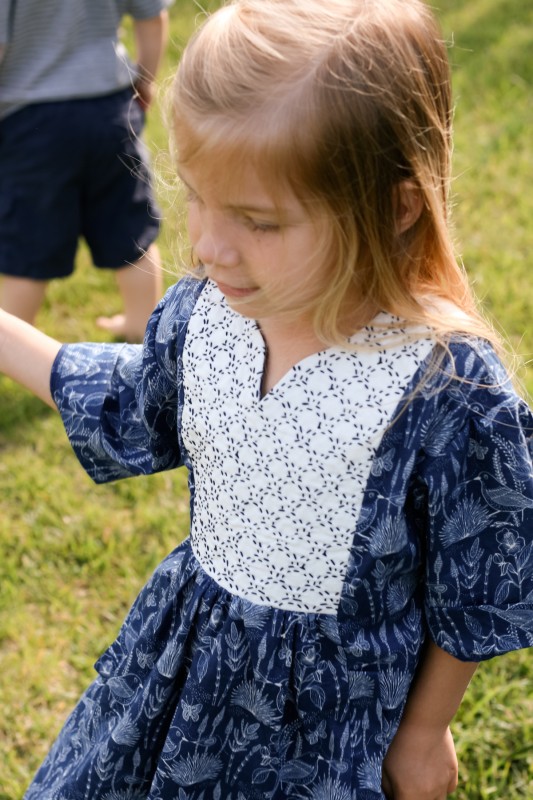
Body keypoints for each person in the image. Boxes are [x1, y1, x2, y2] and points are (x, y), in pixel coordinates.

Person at [1, 0, 532, 797]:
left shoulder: (446, 388)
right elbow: (129, 400)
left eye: (257, 220)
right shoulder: (204, 315)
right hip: (180, 673)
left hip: (324, 728)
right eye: (196, 197)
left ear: (394, 207)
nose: (209, 244)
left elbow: (476, 576)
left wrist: (422, 734)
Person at [0, 0, 171, 342]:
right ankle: (142, 331)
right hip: (111, 107)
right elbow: (153, 18)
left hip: (32, 119)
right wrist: (145, 81)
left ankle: (11, 348)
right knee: (131, 232)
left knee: (28, 248)